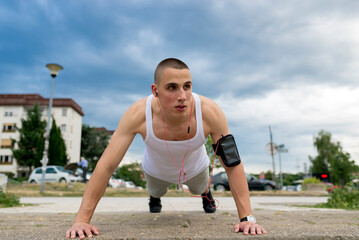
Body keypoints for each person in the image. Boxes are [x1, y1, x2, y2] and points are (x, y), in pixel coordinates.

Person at [66, 58, 266, 239]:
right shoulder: (138, 114)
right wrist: (82, 220)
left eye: (186, 86)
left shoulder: (210, 112)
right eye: (172, 87)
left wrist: (247, 217)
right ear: (155, 91)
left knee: (198, 187)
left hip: (195, 169)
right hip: (156, 171)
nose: (182, 96)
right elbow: (106, 165)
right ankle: (154, 198)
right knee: (156, 190)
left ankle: (206, 193)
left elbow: (232, 164)